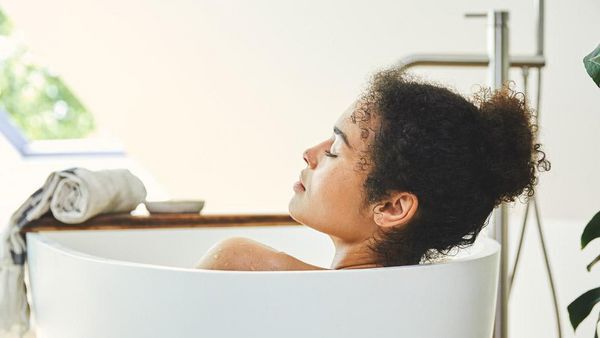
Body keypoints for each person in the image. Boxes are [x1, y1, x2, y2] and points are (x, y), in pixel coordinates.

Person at [195, 68, 550, 271]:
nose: (310, 154)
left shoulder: (240, 265)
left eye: (335, 149)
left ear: (391, 207)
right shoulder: (422, 307)